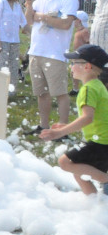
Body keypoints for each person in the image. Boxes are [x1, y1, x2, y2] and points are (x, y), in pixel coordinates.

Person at [40, 44, 108, 195]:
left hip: (100, 141)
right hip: (103, 140)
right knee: (80, 171)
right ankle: (94, 204)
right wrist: (65, 125)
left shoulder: (88, 89)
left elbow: (87, 118)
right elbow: (94, 116)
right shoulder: (97, 85)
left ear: (87, 66)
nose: (71, 66)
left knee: (65, 162)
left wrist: (60, 133)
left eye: (74, 63)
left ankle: (105, 179)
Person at [25, 0, 79, 134]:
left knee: (60, 93)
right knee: (41, 93)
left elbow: (65, 24)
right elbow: (30, 21)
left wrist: (42, 17)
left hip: (55, 53)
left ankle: (63, 129)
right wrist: (28, 4)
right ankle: (44, 125)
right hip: (36, 51)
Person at [0, 0, 28, 95]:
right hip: (1, 39)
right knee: (2, 65)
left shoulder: (17, 6)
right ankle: (0, 91)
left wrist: (34, 34)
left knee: (13, 65)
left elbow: (24, 23)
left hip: (14, 40)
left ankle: (11, 91)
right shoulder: (1, 4)